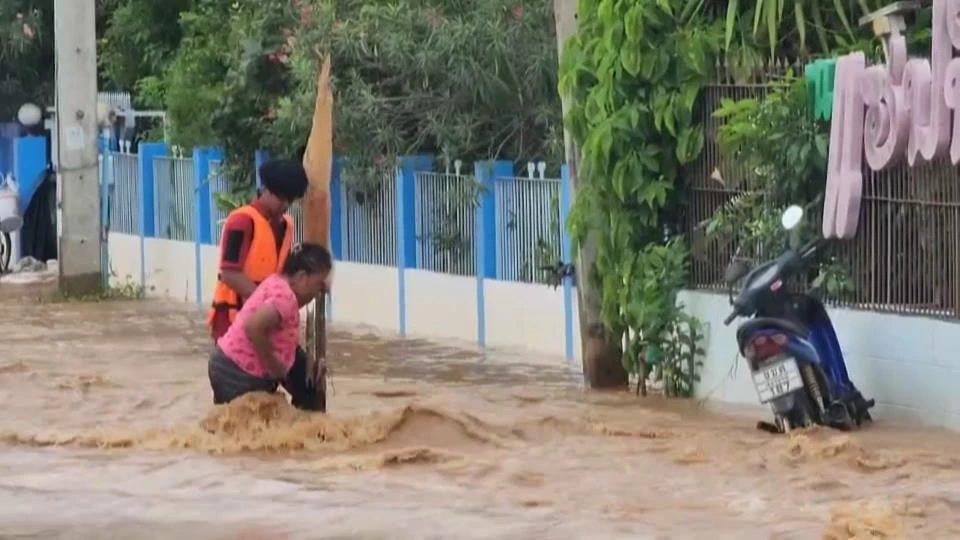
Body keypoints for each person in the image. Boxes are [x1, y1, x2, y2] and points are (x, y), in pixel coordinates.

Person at [207, 158, 326, 410]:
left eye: (290, 200)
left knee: (308, 383)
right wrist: (268, 301)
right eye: (281, 198)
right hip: (236, 320)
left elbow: (289, 276)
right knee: (246, 403)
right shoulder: (241, 221)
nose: (285, 206)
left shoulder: (286, 227)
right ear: (265, 190)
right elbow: (229, 272)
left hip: (274, 321)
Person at [208, 243, 333, 407]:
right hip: (237, 371)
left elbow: (282, 336)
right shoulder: (285, 298)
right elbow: (254, 327)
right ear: (302, 278)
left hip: (227, 364)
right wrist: (273, 365)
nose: (320, 293)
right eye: (319, 285)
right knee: (246, 424)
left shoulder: (276, 282)